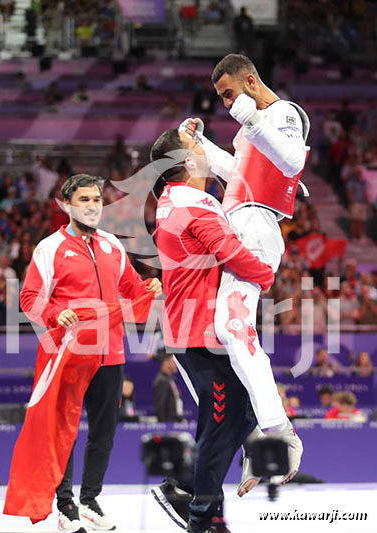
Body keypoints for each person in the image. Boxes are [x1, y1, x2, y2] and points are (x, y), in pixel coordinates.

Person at [180, 53, 307, 482]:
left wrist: (252, 120)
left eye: (229, 93)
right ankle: (256, 427)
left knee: (233, 329)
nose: (226, 102)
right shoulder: (251, 127)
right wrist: (202, 147)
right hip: (238, 221)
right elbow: (236, 173)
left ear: (250, 81)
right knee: (219, 333)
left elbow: (291, 161)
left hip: (256, 223)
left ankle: (276, 432)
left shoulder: (281, 113)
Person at [19, 174, 161, 533]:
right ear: (67, 204)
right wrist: (56, 313)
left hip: (110, 353)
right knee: (64, 429)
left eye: (97, 199)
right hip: (70, 354)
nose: (93, 205)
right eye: (84, 199)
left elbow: (130, 287)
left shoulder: (112, 245)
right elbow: (29, 298)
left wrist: (150, 286)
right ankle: (64, 504)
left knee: (105, 431)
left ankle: (89, 499)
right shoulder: (49, 248)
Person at [150, 128, 274, 533]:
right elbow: (231, 252)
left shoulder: (173, 201)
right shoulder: (195, 206)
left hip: (194, 330)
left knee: (228, 417)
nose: (204, 151)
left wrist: (195, 137)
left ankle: (199, 502)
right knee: (229, 420)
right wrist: (266, 275)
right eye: (197, 149)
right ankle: (198, 511)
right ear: (187, 163)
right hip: (202, 334)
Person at [153, 353, 184, 422]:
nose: (176, 364)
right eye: (174, 361)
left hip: (174, 421)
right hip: (168, 424)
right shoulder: (162, 380)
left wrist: (179, 419)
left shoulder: (171, 379)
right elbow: (160, 406)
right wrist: (164, 426)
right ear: (166, 362)